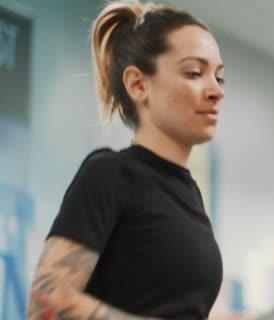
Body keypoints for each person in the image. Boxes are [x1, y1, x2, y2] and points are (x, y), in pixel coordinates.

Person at [26, 0, 225, 319]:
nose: (216, 91)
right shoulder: (110, 174)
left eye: (219, 77)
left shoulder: (191, 196)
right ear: (138, 84)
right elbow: (46, 303)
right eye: (194, 73)